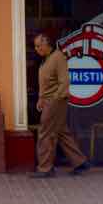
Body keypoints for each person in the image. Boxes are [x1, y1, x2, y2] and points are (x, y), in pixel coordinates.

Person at [30, 33, 91, 178]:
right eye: (35, 46)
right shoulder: (46, 60)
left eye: (39, 45)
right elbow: (46, 84)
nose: (37, 49)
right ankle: (80, 162)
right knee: (61, 132)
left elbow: (64, 82)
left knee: (45, 133)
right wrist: (41, 98)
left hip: (56, 101)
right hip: (50, 100)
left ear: (47, 44)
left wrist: (53, 100)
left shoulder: (58, 57)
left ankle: (45, 168)